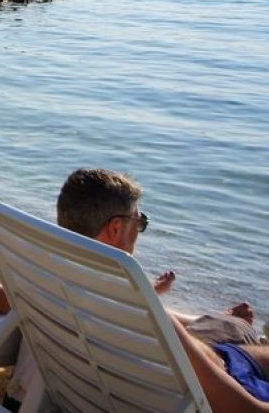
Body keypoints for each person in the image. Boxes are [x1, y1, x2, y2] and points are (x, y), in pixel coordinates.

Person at [55, 169, 269, 410]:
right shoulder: (139, 313)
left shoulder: (52, 280)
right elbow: (242, 407)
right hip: (220, 381)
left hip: (103, 387)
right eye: (139, 221)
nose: (139, 230)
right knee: (238, 329)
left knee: (235, 329)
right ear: (115, 229)